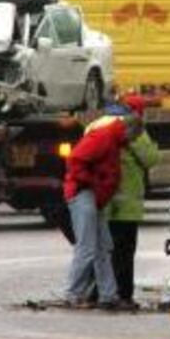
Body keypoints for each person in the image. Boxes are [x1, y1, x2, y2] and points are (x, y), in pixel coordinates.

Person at [61, 106, 131, 310]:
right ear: (128, 131)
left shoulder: (112, 139)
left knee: (102, 247)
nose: (133, 143)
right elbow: (75, 160)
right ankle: (73, 294)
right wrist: (93, 183)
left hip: (90, 196)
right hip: (83, 194)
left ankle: (108, 295)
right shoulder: (105, 138)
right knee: (88, 247)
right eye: (133, 138)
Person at [104, 93, 160, 310]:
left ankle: (102, 292)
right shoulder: (134, 130)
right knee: (125, 252)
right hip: (127, 205)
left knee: (105, 250)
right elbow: (151, 159)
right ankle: (124, 296)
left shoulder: (100, 125)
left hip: (105, 200)